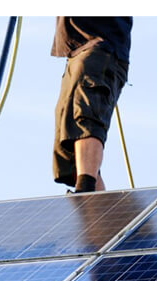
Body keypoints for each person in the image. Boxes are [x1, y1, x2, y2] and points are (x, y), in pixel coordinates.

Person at [52, 17, 132, 193]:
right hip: (76, 52)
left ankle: (85, 190)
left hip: (100, 47)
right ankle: (97, 211)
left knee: (85, 116)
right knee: (69, 136)